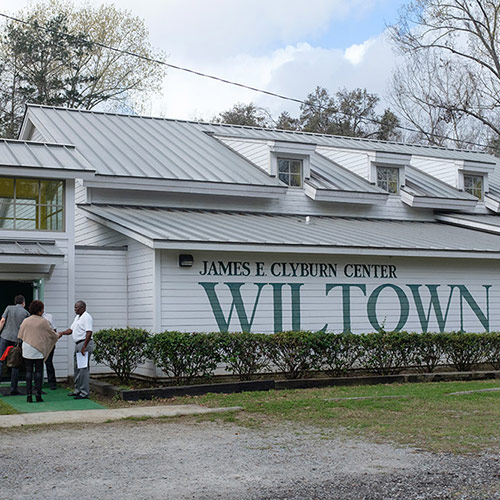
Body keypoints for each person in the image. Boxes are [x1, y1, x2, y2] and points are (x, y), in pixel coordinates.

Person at [17, 300, 60, 403]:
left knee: (28, 372)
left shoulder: (26, 321)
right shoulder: (43, 321)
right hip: (39, 349)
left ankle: (28, 395)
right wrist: (59, 335)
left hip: (27, 348)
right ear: (40, 310)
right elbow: (52, 334)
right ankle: (38, 395)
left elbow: (20, 335)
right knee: (38, 372)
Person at [59, 300, 94, 399]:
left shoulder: (86, 317)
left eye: (77, 307)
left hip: (84, 344)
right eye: (75, 307)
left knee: (83, 369)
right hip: (78, 344)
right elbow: (71, 330)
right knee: (77, 368)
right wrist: (61, 333)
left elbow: (89, 332)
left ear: (83, 307)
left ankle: (84, 393)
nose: (75, 309)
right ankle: (77, 390)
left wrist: (84, 347)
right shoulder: (77, 318)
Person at [0, 295, 29, 395]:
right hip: (17, 339)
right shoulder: (26, 313)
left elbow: (2, 320)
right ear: (23, 303)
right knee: (15, 364)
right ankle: (13, 389)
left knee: (0, 360)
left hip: (5, 336)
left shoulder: (9, 308)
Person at [42, 311, 58, 390]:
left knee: (49, 363)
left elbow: (54, 330)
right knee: (37, 363)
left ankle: (52, 383)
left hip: (49, 343)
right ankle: (37, 382)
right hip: (38, 344)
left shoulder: (49, 317)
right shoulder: (33, 318)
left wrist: (53, 342)